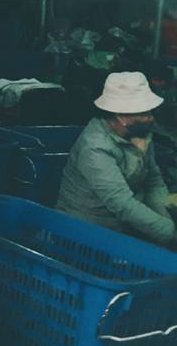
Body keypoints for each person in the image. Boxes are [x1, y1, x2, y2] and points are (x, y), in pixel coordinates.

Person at [56, 71, 176, 247]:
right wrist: (169, 232)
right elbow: (120, 202)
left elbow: (153, 181)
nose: (151, 118)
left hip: (127, 224)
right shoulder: (95, 147)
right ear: (123, 118)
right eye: (145, 113)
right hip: (87, 230)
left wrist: (167, 223)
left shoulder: (140, 132)